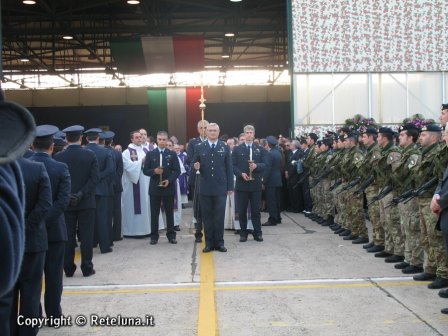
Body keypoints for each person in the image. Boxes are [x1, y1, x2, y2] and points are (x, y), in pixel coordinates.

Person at [4, 156, 52, 336]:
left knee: (6, 295)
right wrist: (25, 227)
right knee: (31, 294)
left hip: (6, 241)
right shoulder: (37, 169)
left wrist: (13, 227)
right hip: (33, 241)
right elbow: (45, 204)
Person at [30, 125, 71, 320]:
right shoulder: (60, 167)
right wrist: (46, 221)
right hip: (55, 230)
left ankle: (34, 315)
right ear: (52, 146)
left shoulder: (25, 166)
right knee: (54, 276)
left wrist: (36, 222)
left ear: (32, 145)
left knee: (33, 277)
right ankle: (54, 315)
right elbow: (63, 201)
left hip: (31, 230)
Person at [54, 125, 99, 277]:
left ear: (66, 139)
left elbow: (58, 181)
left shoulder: (59, 156)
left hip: (66, 203)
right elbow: (94, 179)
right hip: (86, 201)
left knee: (68, 236)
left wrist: (69, 195)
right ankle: (87, 267)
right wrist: (81, 194)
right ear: (81, 138)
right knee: (86, 236)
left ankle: (68, 268)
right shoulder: (90, 155)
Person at [193, 123, 233, 252]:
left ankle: (219, 243)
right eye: (210, 130)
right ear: (206, 131)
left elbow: (229, 168)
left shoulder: (224, 147)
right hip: (205, 187)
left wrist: (230, 187)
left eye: (214, 130)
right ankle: (209, 243)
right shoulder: (200, 147)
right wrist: (195, 167)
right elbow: (194, 163)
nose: (212, 132)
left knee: (219, 216)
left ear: (218, 131)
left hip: (220, 187)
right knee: (207, 217)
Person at [143, 131, 180, 245]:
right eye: (160, 139)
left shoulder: (172, 154)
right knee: (154, 213)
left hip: (168, 187)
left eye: (164, 139)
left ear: (167, 140)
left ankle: (171, 236)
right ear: (157, 140)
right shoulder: (150, 154)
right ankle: (154, 236)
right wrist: (154, 171)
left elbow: (177, 171)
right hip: (155, 188)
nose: (162, 141)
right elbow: (145, 170)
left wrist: (169, 180)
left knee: (169, 213)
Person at [232, 125, 266, 242]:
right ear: (244, 134)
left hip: (255, 185)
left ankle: (257, 233)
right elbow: (232, 165)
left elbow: (265, 164)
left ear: (254, 134)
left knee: (256, 211)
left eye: (251, 132)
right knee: (242, 211)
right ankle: (243, 233)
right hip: (242, 184)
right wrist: (240, 174)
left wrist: (257, 166)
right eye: (247, 132)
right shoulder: (237, 149)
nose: (249, 134)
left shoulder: (259, 149)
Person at [85, 128, 114, 254]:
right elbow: (110, 169)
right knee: (102, 218)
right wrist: (98, 177)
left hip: (86, 190)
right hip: (101, 188)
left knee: (87, 219)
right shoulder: (105, 152)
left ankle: (91, 243)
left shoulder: (83, 151)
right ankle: (105, 246)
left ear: (86, 139)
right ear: (98, 138)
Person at [121, 131, 152, 237]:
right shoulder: (126, 152)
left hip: (145, 184)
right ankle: (131, 231)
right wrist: (141, 162)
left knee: (145, 205)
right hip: (132, 185)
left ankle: (145, 230)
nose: (140, 139)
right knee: (133, 207)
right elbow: (127, 166)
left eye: (140, 137)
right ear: (132, 139)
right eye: (137, 137)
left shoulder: (145, 150)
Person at [187, 120, 209, 243]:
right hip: (196, 177)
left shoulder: (213, 143)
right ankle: (198, 232)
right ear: (198, 129)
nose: (204, 129)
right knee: (198, 206)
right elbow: (190, 158)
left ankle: (209, 231)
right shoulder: (193, 142)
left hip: (209, 178)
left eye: (206, 127)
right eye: (201, 127)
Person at [103, 131, 124, 242]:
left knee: (105, 212)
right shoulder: (117, 153)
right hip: (116, 186)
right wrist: (114, 182)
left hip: (103, 186)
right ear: (111, 141)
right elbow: (120, 171)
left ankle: (105, 235)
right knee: (116, 211)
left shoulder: (100, 152)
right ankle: (116, 235)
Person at [263, 136, 282, 226]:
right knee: (277, 200)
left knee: (271, 200)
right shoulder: (278, 152)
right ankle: (278, 217)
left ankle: (272, 219)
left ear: (268, 144)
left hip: (271, 180)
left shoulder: (269, 154)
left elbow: (268, 169)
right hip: (277, 178)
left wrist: (264, 180)